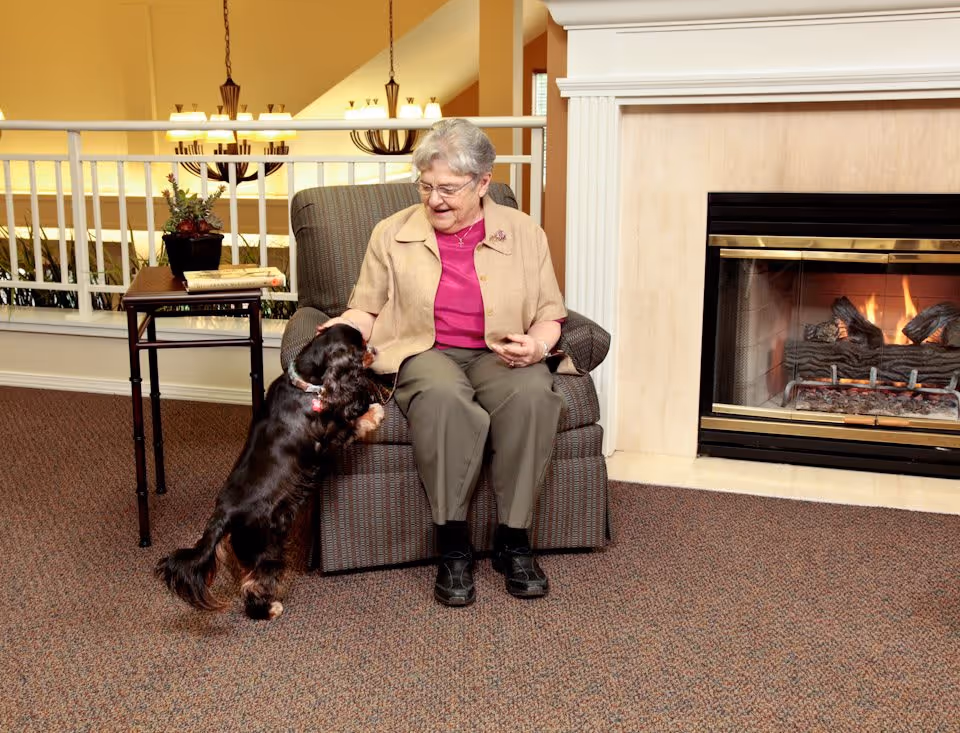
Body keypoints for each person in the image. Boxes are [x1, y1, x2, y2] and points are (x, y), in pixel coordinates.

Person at [319, 118, 578, 607]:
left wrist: (539, 347)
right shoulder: (390, 233)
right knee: (443, 399)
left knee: (534, 399)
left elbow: (550, 315)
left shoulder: (524, 233)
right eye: (426, 186)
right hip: (422, 350)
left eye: (449, 189)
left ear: (483, 183)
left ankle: (513, 539)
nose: (435, 199)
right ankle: (453, 543)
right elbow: (368, 308)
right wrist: (343, 328)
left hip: (498, 351)